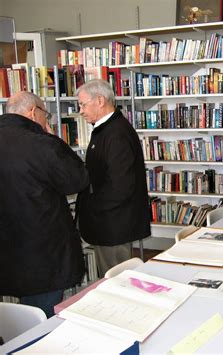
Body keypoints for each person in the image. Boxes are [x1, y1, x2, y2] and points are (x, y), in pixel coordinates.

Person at [0, 91, 89, 317]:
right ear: (33, 112)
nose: (46, 121)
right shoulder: (41, 144)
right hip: (42, 252)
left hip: (7, 251)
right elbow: (77, 180)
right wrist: (52, 138)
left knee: (16, 318)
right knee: (43, 319)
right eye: (45, 115)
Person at [76, 79, 150, 278]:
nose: (80, 110)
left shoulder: (115, 133)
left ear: (100, 100)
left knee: (117, 281)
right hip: (109, 222)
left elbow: (121, 186)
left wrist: (92, 207)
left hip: (113, 225)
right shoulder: (106, 129)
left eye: (83, 104)